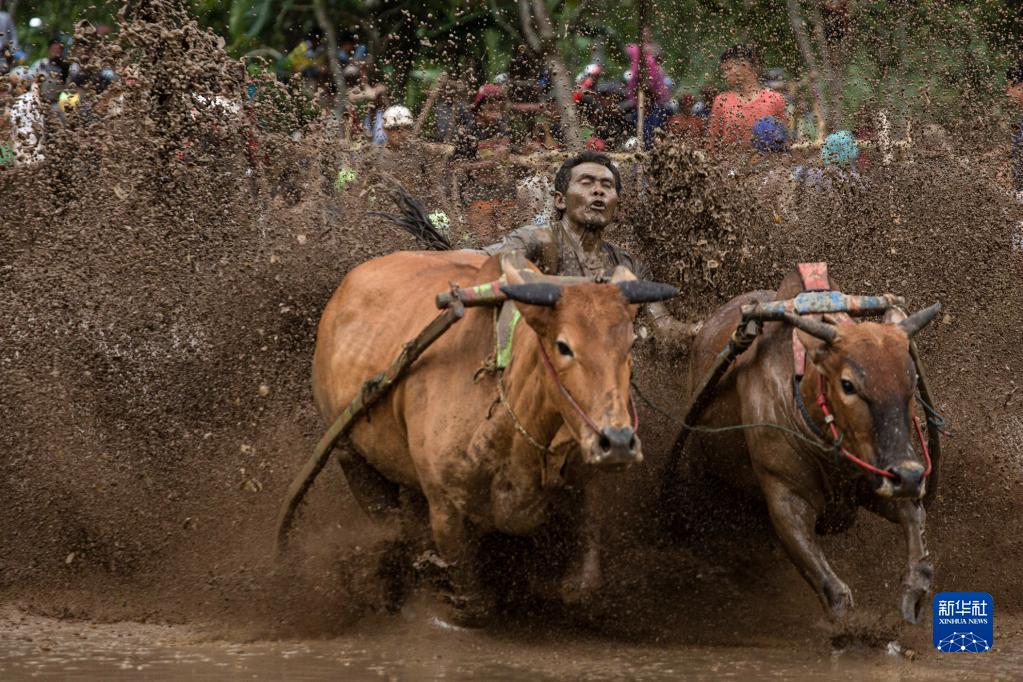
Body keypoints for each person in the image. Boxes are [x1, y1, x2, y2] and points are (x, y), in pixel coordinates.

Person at [482, 150, 696, 346]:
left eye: (607, 185)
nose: (599, 191)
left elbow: (663, 327)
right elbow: (482, 264)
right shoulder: (536, 239)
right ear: (560, 200)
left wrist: (700, 330)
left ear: (616, 205)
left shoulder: (629, 266)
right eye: (586, 183)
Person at [706, 44, 786, 148]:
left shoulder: (775, 99)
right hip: (731, 158)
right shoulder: (721, 101)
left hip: (767, 158)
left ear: (744, 66)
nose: (725, 75)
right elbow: (711, 145)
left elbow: (785, 142)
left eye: (728, 69)